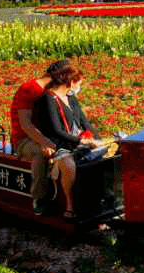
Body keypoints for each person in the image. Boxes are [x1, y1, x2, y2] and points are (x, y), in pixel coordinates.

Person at [33, 64, 100, 219]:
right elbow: (56, 131)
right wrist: (82, 141)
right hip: (58, 143)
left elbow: (84, 121)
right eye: (78, 84)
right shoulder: (49, 99)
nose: (79, 87)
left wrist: (96, 139)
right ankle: (69, 204)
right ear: (70, 82)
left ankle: (96, 200)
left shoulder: (71, 97)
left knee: (100, 158)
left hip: (77, 139)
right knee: (68, 164)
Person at [9, 59, 71, 215]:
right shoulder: (29, 89)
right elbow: (25, 124)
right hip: (24, 139)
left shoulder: (53, 92)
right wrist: (44, 141)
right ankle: (39, 199)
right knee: (41, 151)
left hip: (46, 136)